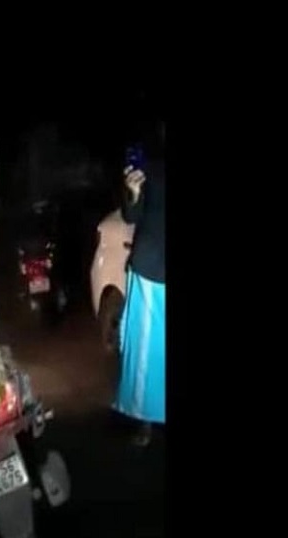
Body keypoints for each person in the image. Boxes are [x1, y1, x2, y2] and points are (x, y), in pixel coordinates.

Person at [115, 118, 165, 447]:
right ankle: (143, 421)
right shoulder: (152, 166)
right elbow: (131, 215)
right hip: (152, 272)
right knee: (146, 354)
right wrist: (132, 193)